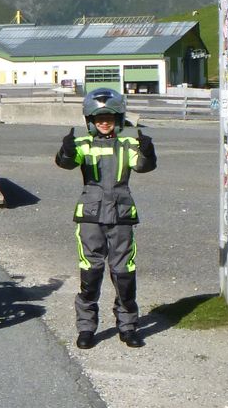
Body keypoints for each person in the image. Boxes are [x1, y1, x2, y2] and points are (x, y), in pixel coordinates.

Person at [56, 87, 156, 348]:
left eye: (109, 118)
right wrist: (66, 151)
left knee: (124, 274)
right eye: (99, 119)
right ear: (90, 120)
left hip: (121, 215)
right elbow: (66, 162)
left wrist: (148, 152)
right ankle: (86, 328)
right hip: (90, 216)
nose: (104, 123)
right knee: (90, 274)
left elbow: (143, 166)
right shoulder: (83, 145)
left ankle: (128, 326)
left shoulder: (128, 145)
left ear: (118, 119)